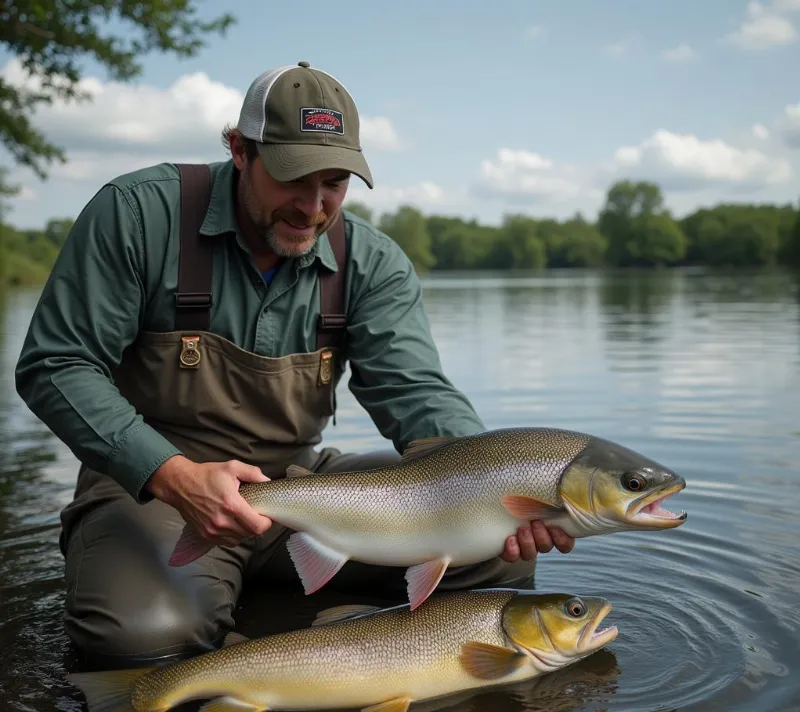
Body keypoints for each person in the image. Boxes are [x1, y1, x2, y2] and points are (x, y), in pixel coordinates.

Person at [15, 62, 574, 668]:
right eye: (293, 179)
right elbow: (57, 364)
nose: (313, 207)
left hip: (299, 490)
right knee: (146, 642)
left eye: (334, 183)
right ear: (239, 151)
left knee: (498, 554)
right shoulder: (137, 215)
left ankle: (333, 658)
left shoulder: (372, 263)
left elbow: (416, 394)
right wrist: (172, 474)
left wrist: (499, 491)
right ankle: (212, 626)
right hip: (153, 493)